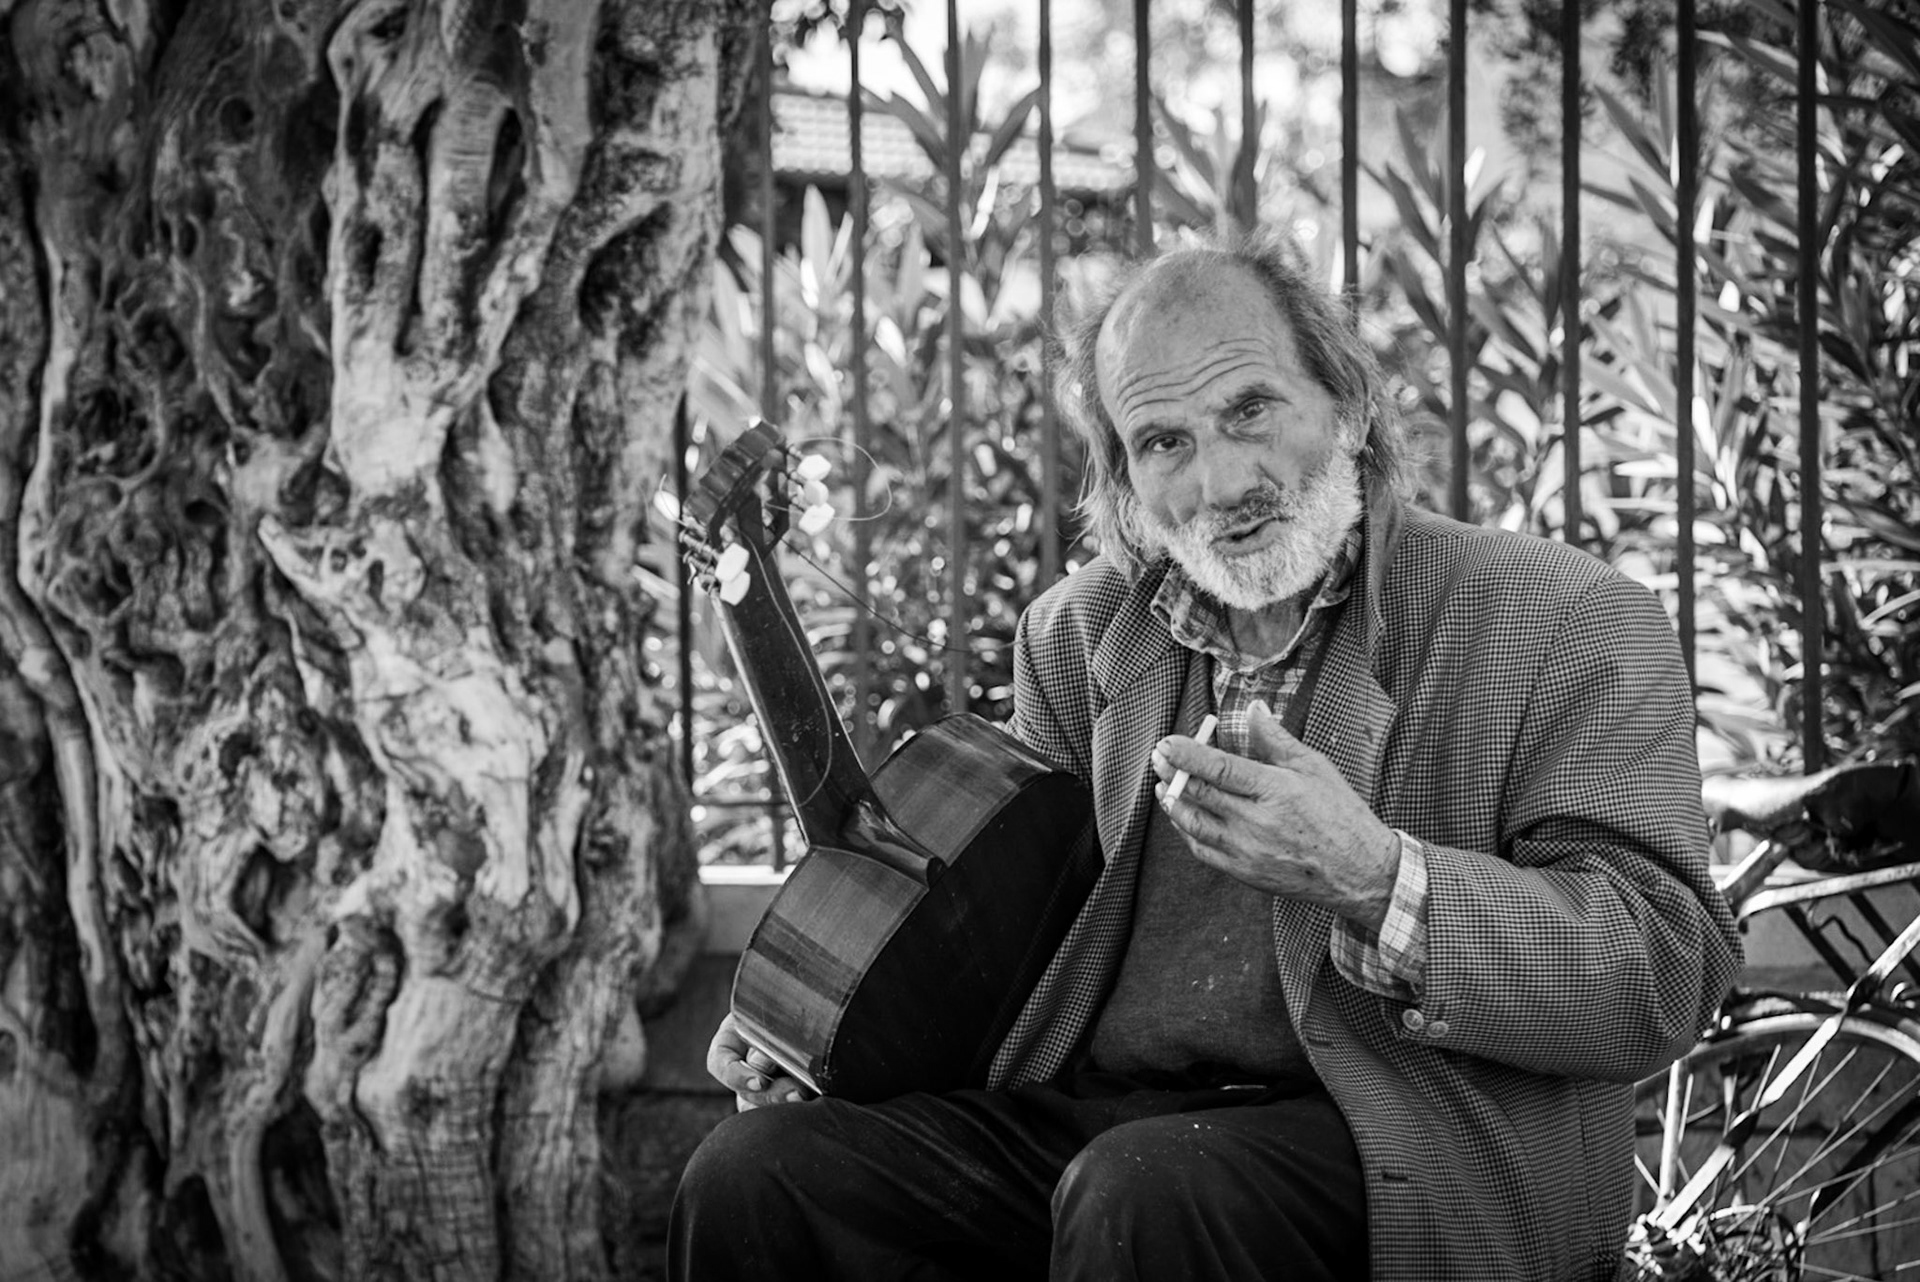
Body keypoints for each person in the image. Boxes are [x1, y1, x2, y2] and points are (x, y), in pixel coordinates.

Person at [668, 229, 1742, 1282]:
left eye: (1250, 410)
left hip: (1402, 1132)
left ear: (1352, 405)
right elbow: (1011, 947)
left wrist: (1376, 877)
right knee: (760, 1173)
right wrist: (817, 1036)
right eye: (1165, 441)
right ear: (1126, 483)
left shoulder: (1565, 617)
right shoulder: (1081, 633)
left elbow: (1667, 968)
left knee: (1143, 1189)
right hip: (1112, 1121)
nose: (1221, 479)